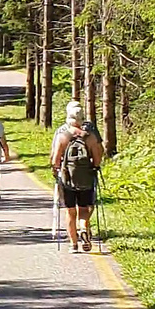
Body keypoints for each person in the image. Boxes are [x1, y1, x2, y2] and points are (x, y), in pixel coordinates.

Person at [51, 99, 105, 252]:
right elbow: (97, 157)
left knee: (70, 211)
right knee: (83, 209)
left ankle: (73, 244)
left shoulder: (63, 136)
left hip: (67, 178)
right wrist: (94, 167)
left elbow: (55, 159)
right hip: (85, 177)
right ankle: (83, 228)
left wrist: (56, 170)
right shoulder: (90, 136)